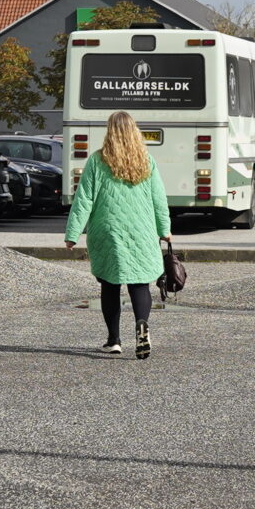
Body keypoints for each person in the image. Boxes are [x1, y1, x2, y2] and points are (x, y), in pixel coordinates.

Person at [64, 111, 172, 359]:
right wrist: (164, 230)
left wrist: (72, 233)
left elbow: (85, 200)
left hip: (108, 229)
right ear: (135, 131)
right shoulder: (146, 160)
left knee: (110, 283)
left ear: (109, 132)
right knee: (139, 281)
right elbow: (158, 199)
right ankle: (142, 323)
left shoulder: (97, 160)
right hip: (141, 229)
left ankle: (113, 340)